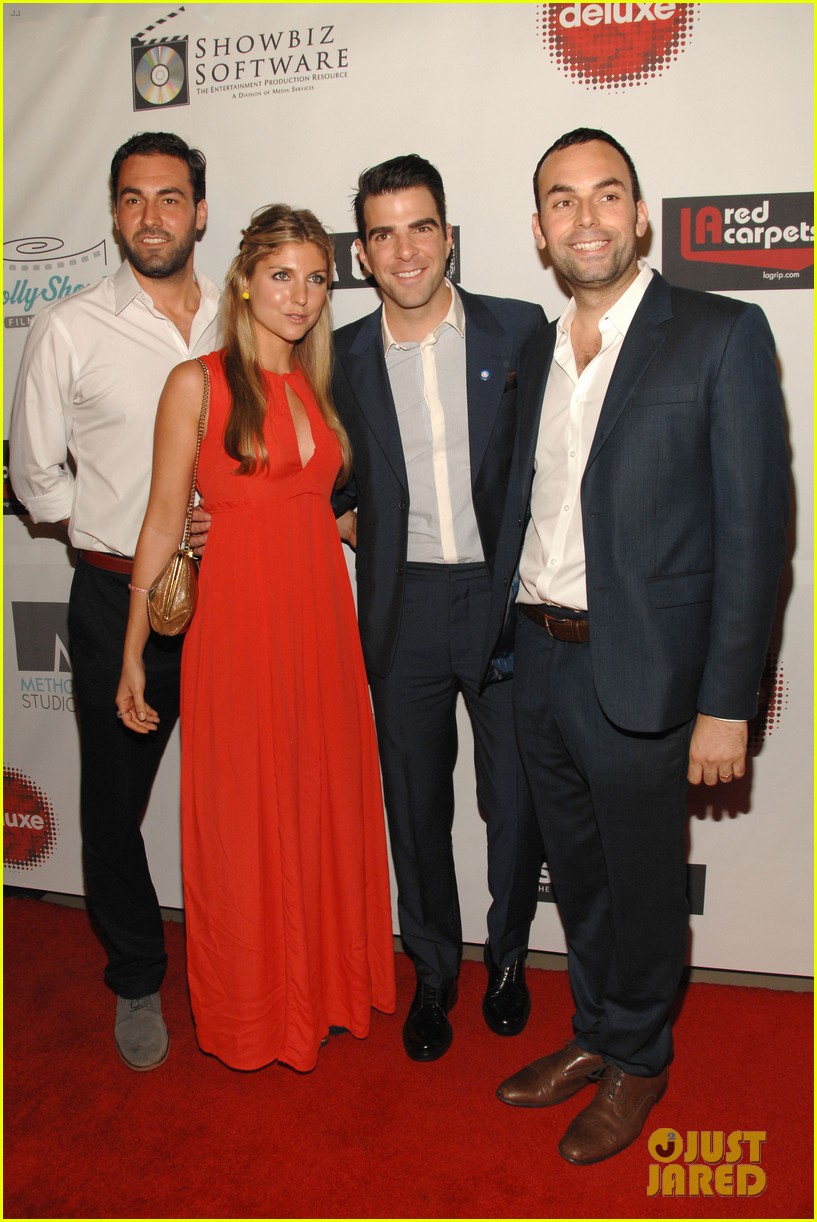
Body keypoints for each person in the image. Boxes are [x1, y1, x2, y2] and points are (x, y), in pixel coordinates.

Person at [485, 129, 789, 1163]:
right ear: (538, 230)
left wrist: (725, 702)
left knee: (645, 880)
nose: (586, 218)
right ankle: (597, 1033)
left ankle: (642, 1059)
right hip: (539, 658)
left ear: (640, 214)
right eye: (562, 202)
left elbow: (754, 539)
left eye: (606, 195)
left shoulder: (718, 333)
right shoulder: (531, 348)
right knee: (576, 872)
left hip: (647, 672)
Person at [116, 205, 396, 1073]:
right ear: (243, 280)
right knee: (246, 820)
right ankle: (255, 1011)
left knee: (319, 803)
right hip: (237, 630)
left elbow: (334, 509)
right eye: (283, 275)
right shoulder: (195, 383)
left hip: (321, 625)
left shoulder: (326, 383)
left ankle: (326, 989)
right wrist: (132, 647)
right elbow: (163, 521)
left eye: (317, 278)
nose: (302, 296)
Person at [9, 132, 220, 1071]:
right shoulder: (71, 326)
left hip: (238, 597)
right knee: (111, 808)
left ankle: (246, 968)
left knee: (244, 795)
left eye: (170, 199)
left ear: (200, 212)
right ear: (112, 215)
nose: (151, 217)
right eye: (132, 200)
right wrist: (112, 529)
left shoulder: (249, 317)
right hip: (110, 599)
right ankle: (137, 976)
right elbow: (31, 472)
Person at [331, 154, 547, 1062]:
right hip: (402, 606)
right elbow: (317, 471)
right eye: (383, 232)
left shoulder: (520, 329)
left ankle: (505, 960)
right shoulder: (336, 354)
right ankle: (429, 970)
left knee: (514, 799)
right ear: (363, 251)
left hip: (504, 601)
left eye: (421, 226)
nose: (404, 248)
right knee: (414, 805)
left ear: (448, 236)